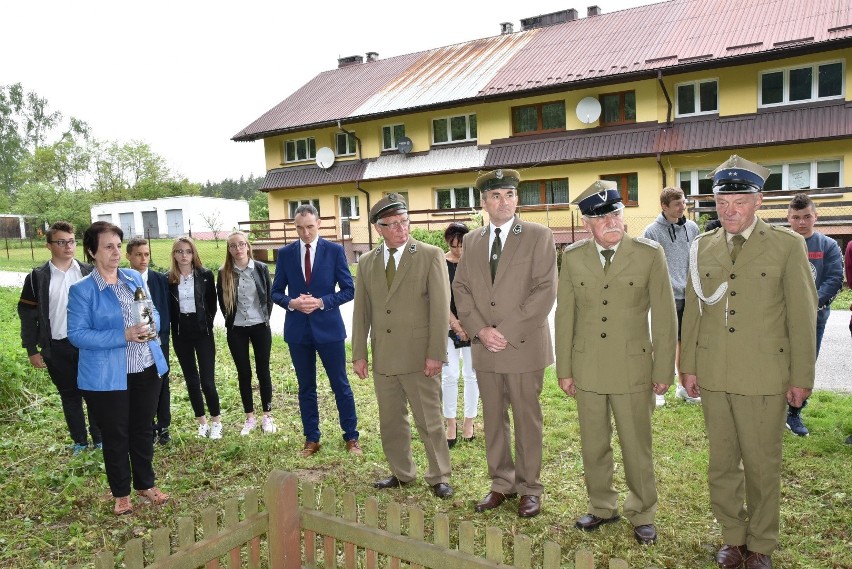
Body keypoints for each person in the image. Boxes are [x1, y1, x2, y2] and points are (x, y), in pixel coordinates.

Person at [681, 155, 817, 569]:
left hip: (765, 375)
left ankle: (761, 543)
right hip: (715, 373)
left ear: (759, 201)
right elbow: (694, 313)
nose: (730, 210)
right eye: (723, 202)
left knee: (761, 464)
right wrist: (687, 366)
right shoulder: (701, 246)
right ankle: (733, 537)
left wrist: (802, 376)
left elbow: (802, 315)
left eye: (739, 201)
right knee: (722, 463)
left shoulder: (787, 245)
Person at [556, 180, 677, 545]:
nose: (611, 221)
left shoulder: (648, 253)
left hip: (633, 368)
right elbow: (565, 316)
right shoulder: (574, 257)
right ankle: (601, 506)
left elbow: (666, 316)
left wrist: (663, 369)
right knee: (594, 444)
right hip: (588, 367)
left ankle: (642, 511)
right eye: (601, 217)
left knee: (636, 444)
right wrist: (564, 369)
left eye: (615, 213)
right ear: (587, 222)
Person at [453, 169, 557, 518]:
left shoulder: (538, 235)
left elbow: (545, 290)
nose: (503, 201)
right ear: (483, 202)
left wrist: (506, 331)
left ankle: (530, 488)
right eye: (495, 195)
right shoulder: (472, 241)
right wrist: (481, 329)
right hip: (484, 346)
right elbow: (461, 288)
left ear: (517, 199)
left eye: (509, 195)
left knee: (527, 419)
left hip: (522, 345)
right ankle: (502, 483)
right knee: (494, 418)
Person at [351, 193, 453, 498]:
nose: (401, 228)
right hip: (384, 356)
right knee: (391, 420)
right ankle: (401, 472)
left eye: (404, 221)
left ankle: (439, 475)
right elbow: (361, 311)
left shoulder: (429, 255)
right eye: (393, 224)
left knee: (430, 420)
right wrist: (359, 354)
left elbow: (440, 307)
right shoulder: (367, 262)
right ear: (378, 228)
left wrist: (436, 353)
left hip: (420, 356)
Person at [67, 221, 170, 515]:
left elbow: (154, 314)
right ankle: (121, 493)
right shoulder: (83, 290)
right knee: (116, 435)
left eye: (117, 245)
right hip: (106, 376)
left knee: (142, 429)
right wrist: (123, 335)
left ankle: (146, 485)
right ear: (92, 251)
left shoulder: (133, 278)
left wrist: (152, 326)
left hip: (146, 368)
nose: (115, 252)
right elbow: (77, 334)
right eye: (108, 247)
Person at [271, 205, 360, 456]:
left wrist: (322, 302)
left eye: (310, 227)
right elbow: (275, 291)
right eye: (300, 228)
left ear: (318, 223)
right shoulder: (286, 253)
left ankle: (351, 437)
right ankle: (312, 439)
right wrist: (292, 303)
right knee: (306, 387)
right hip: (298, 332)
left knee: (340, 384)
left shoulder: (334, 251)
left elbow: (348, 289)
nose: (306, 232)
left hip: (329, 330)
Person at [18, 221, 102, 454]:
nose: (68, 246)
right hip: (57, 346)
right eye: (61, 242)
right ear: (49, 245)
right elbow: (27, 315)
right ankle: (80, 442)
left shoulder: (90, 272)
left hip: (89, 345)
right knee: (70, 395)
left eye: (71, 241)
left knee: (94, 393)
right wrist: (32, 349)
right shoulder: (37, 278)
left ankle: (100, 438)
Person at [784, 193, 843, 436]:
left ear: (815, 217)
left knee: (804, 366)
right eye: (796, 217)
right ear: (788, 218)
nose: (801, 222)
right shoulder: (782, 244)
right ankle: (774, 410)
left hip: (813, 320)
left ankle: (795, 413)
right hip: (780, 319)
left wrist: (808, 306)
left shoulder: (828, 245)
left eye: (807, 216)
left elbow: (834, 279)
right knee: (777, 364)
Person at [642, 187, 701, 406]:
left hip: (690, 296)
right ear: (665, 206)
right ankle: (657, 390)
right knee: (663, 343)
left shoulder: (693, 228)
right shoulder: (652, 231)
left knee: (686, 345)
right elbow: (645, 264)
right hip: (665, 297)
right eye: (677, 204)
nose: (682, 207)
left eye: (684, 202)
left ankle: (684, 388)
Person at [217, 231, 277, 436]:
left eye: (241, 244)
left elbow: (268, 298)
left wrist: (263, 318)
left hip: (260, 326)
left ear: (248, 246)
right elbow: (222, 303)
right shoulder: (224, 272)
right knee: (244, 373)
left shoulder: (260, 269)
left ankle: (267, 415)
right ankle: (249, 417)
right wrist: (232, 320)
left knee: (263, 370)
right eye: (233, 246)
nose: (238, 249)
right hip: (237, 330)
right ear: (229, 249)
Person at [167, 236, 222, 439]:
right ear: (174, 254)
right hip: (181, 333)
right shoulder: (169, 279)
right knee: (191, 379)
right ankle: (202, 423)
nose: (184, 255)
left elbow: (212, 304)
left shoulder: (205, 275)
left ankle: (216, 422)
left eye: (188, 251)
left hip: (202, 332)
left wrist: (206, 323)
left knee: (207, 380)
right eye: (179, 251)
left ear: (194, 253)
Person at [126, 238, 172, 445]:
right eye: (138, 254)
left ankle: (163, 426)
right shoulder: (125, 280)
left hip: (158, 340)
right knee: (142, 385)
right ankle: (147, 426)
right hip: (134, 343)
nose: (143, 259)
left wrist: (163, 332)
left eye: (146, 254)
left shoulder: (159, 279)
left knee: (162, 381)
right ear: (128, 256)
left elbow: (166, 308)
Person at [442, 222, 478, 447]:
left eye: (462, 246)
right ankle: (450, 424)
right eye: (454, 246)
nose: (458, 251)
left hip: (474, 326)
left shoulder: (476, 264)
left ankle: (469, 422)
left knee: (472, 375)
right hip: (447, 326)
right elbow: (438, 297)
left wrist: (469, 324)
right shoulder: (440, 263)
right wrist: (455, 323)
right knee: (450, 375)